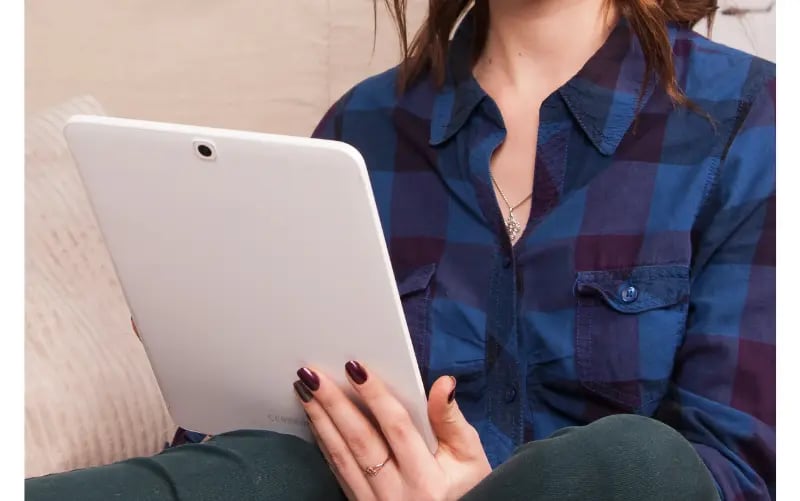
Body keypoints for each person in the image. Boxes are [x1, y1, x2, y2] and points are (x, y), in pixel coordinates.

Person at [26, 0, 775, 499]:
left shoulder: (750, 118)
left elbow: (740, 473)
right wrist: (206, 345)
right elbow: (258, 438)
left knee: (640, 464)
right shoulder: (361, 128)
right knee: (269, 465)